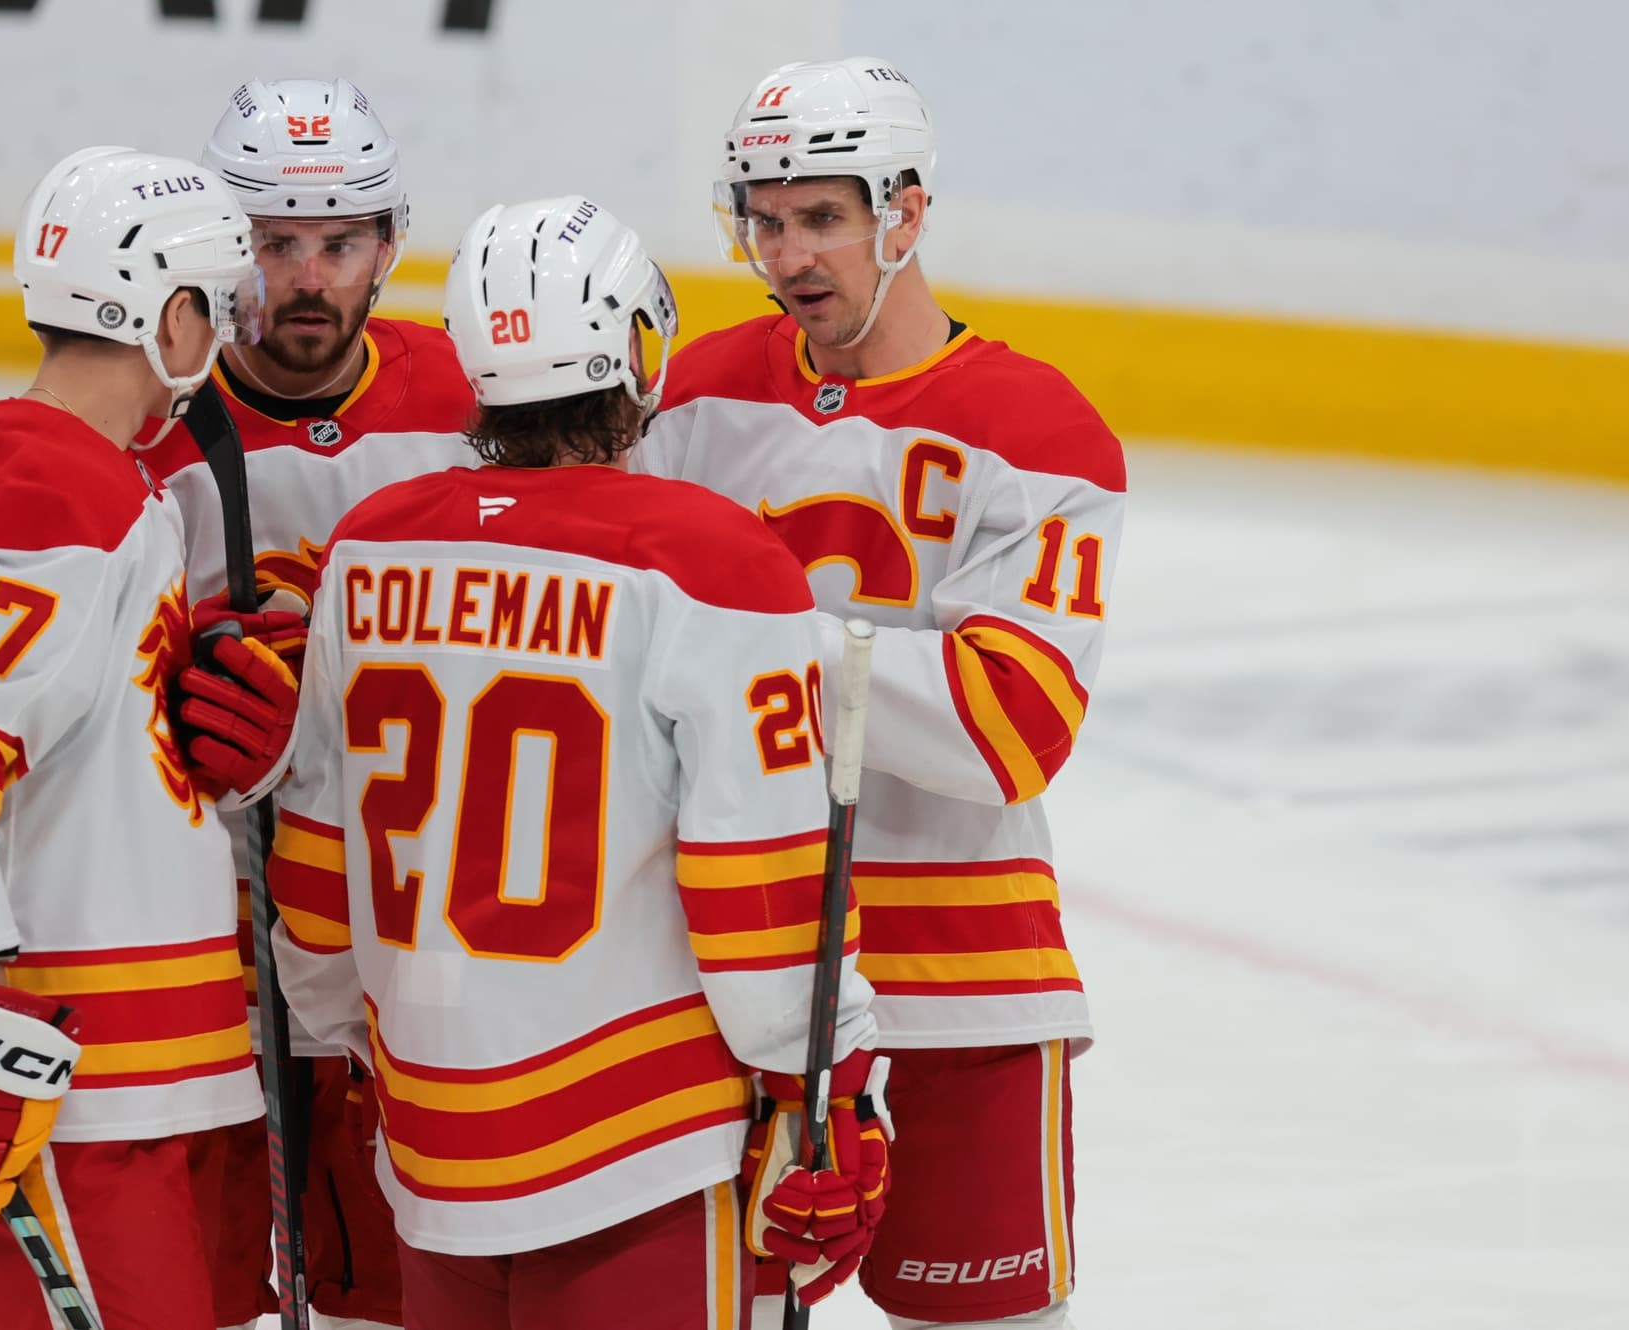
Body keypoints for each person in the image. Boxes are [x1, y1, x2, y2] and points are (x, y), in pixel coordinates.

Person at [262, 195, 889, 1330]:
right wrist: (831, 1082)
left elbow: (315, 857)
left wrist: (353, 1047)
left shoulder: (367, 547)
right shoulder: (711, 558)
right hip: (641, 1148)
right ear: (637, 352)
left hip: (427, 1140)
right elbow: (760, 878)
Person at [634, 58, 1127, 1330]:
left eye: (822, 217)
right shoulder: (691, 398)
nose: (789, 255)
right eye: (764, 220)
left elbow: (1010, 729)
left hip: (967, 969)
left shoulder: (1038, 430)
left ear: (904, 212)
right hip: (737, 967)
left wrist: (753, 643)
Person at [0, 146, 296, 1330]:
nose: (224, 340)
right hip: (68, 1082)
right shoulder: (51, 484)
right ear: (168, 316)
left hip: (131, 1072)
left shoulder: (85, 477)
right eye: (217, 307)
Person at [137, 76, 477, 1330]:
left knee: (387, 1292)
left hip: (418, 930)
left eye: (340, 243)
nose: (309, 280)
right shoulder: (149, 426)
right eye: (275, 244)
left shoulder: (471, 405)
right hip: (217, 940)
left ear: (389, 244)